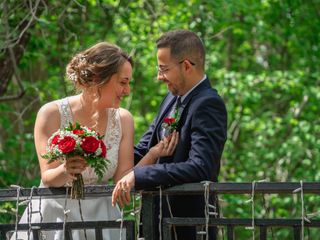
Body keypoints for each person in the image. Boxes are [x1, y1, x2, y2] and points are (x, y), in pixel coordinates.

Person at [11, 42, 177, 240]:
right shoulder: (51, 113)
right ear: (100, 79)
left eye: (129, 83)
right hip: (55, 218)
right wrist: (67, 169)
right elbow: (47, 177)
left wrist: (153, 153)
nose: (127, 91)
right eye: (123, 82)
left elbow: (121, 179)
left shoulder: (123, 119)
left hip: (103, 220)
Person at [112, 29, 228, 240]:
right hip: (156, 221)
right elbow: (144, 148)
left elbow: (201, 167)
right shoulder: (171, 98)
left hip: (189, 226)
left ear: (186, 65)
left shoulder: (209, 104)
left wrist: (139, 176)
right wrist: (105, 160)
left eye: (164, 69)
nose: (159, 77)